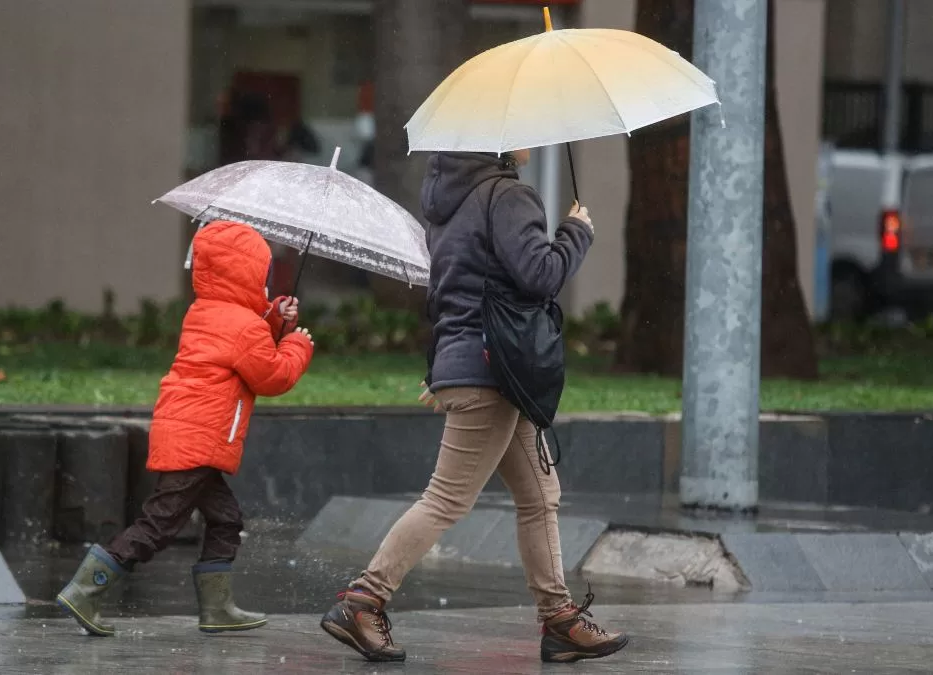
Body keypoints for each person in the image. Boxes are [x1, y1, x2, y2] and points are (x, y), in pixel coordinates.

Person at [320, 151, 628, 664]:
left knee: (539, 494)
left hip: (481, 367)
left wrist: (441, 365)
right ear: (501, 142)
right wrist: (576, 232)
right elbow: (539, 275)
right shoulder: (507, 196)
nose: (533, 142)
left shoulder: (450, 203)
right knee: (447, 499)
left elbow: (443, 292)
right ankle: (364, 598)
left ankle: (559, 620)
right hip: (493, 369)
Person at [56, 221, 315, 637]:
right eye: (263, 276)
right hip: (200, 439)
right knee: (158, 525)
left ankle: (218, 609)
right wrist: (297, 344)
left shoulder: (206, 311)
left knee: (226, 519)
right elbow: (272, 376)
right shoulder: (243, 327)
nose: (266, 284)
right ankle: (86, 590)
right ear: (247, 274)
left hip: (186, 432)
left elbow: (243, 336)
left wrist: (275, 316)